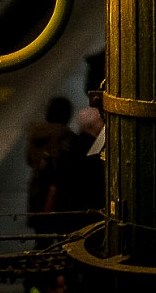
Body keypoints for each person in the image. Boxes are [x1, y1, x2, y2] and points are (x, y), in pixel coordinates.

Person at [25, 97, 76, 235]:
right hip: (58, 193)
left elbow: (29, 160)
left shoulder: (36, 134)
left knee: (41, 236)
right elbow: (66, 167)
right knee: (63, 236)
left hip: (37, 189)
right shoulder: (66, 136)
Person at [50, 106, 106, 226]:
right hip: (88, 216)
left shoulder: (70, 145)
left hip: (67, 213)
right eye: (101, 121)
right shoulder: (94, 152)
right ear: (92, 126)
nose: (103, 125)